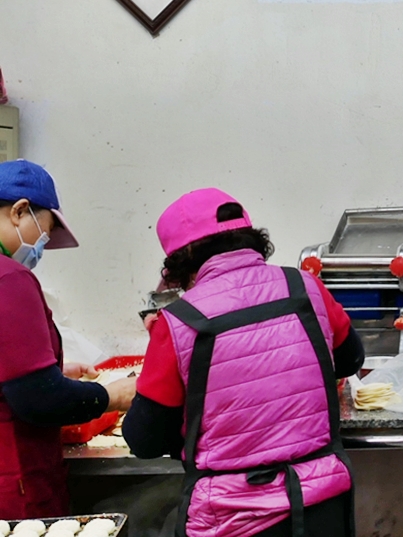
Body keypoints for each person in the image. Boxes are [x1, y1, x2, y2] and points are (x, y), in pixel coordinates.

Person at [122, 188, 365, 537]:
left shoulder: (178, 321)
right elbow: (350, 358)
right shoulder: (305, 287)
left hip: (232, 518)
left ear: (184, 256)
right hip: (321, 507)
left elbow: (144, 439)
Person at [0, 160, 137, 519]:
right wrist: (114, 395)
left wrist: (53, 371)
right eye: (43, 234)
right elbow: (38, 399)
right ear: (19, 211)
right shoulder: (9, 279)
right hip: (13, 483)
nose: (40, 248)